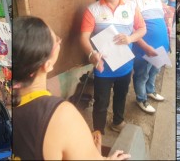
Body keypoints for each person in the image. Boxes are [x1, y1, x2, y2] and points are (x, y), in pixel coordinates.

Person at [12, 16, 131, 160]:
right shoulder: (61, 116)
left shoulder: (2, 106)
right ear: (47, 65)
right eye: (56, 40)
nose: (59, 40)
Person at [80, 0, 146, 134]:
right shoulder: (92, 10)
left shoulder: (131, 7)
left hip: (124, 65)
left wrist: (130, 39)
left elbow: (142, 29)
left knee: (121, 96)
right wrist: (91, 54)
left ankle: (118, 121)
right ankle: (98, 132)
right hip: (103, 67)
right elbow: (83, 37)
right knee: (101, 101)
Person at [128, 0, 169, 113]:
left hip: (160, 46)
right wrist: (145, 47)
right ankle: (141, 98)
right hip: (144, 48)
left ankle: (150, 91)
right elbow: (132, 29)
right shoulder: (132, 0)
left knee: (154, 71)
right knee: (142, 74)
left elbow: (162, 19)